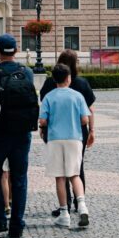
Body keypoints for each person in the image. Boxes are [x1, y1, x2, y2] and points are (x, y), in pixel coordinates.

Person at [0, 33, 37, 238]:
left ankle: (0, 219)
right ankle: (17, 224)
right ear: (16, 51)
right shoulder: (27, 72)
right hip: (22, 133)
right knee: (19, 178)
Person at [40, 49, 96, 215]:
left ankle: (65, 205)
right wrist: (92, 130)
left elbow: (44, 107)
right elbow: (90, 110)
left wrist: (43, 129)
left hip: (55, 132)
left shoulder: (50, 84)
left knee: (60, 170)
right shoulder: (82, 84)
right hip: (77, 132)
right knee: (77, 168)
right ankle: (80, 204)